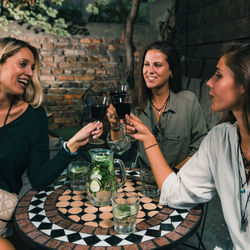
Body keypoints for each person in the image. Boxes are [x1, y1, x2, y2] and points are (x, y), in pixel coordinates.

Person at [125, 42, 250, 249]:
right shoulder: (220, 139)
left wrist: (176, 168)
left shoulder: (188, 102)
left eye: (218, 75)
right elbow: (175, 191)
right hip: (146, 187)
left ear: (244, 83)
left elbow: (195, 145)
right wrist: (147, 140)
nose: (209, 82)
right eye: (146, 65)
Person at [0, 37, 103, 196]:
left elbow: (39, 180)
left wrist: (72, 146)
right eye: (23, 64)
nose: (29, 73)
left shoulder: (34, 117)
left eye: (32, 67)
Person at [107, 41, 207, 171]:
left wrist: (174, 175)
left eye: (157, 65)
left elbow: (201, 146)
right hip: (144, 181)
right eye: (146, 64)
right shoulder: (135, 103)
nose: (150, 71)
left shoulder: (188, 101)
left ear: (171, 70)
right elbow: (120, 149)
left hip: (180, 179)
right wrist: (115, 126)